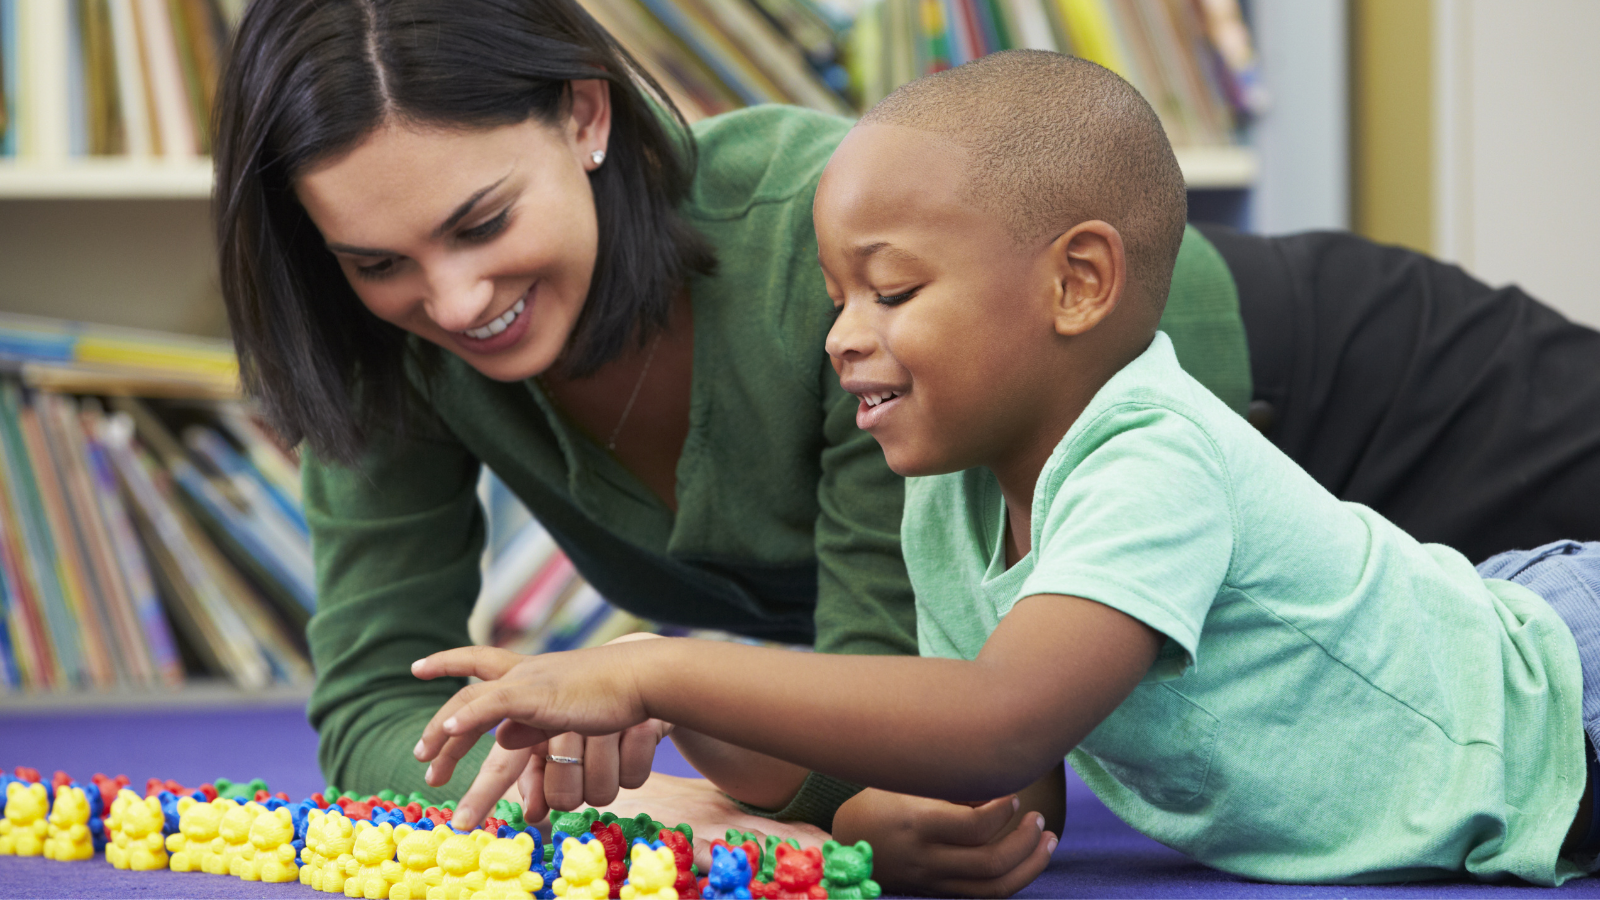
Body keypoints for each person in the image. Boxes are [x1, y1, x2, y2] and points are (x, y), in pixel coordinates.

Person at [213, 0, 1600, 893]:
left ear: (584, 116)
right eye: (378, 260)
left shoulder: (850, 265)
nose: (448, 303)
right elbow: (379, 713)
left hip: (1367, 399)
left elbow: (981, 714)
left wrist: (644, 678)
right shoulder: (379, 341)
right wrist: (654, 794)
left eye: (477, 224)